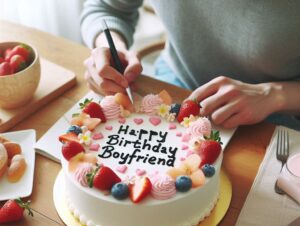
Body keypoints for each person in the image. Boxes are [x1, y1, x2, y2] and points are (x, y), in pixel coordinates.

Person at [80, 0, 300, 130]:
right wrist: (109, 47)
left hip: (279, 117)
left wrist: (273, 95)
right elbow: (106, 7)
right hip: (175, 86)